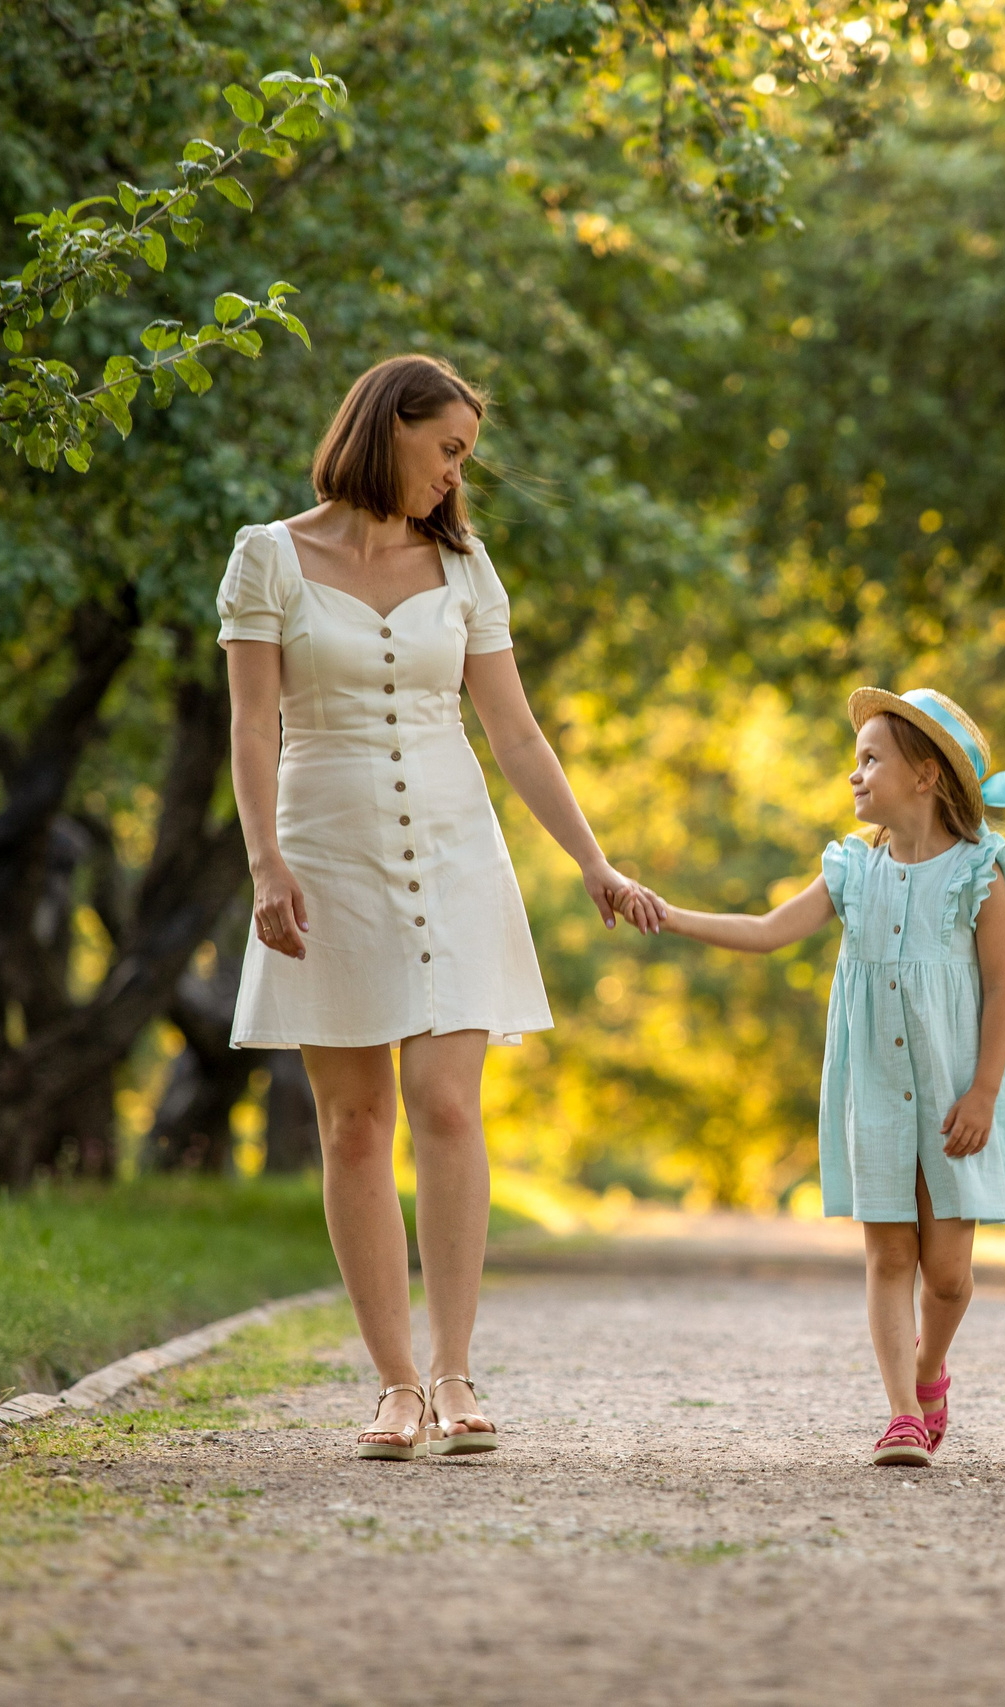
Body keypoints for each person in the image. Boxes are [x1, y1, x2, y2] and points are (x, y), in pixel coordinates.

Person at [218, 353, 666, 1462]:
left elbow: (514, 733)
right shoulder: (267, 557)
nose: (456, 476)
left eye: (463, 455)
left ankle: (458, 1370)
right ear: (389, 429)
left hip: (458, 852)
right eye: (448, 450)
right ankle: (394, 1386)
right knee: (356, 1123)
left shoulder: (466, 567)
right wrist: (266, 865)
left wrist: (593, 862)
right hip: (325, 849)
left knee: (447, 1104)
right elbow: (250, 728)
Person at [648, 687, 1005, 1465]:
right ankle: (902, 1413)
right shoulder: (852, 870)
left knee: (951, 1275)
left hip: (953, 1090)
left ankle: (931, 1370)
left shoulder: (981, 873)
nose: (855, 774)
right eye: (855, 759)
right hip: (876, 1088)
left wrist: (985, 1091)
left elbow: (1004, 990)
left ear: (926, 775)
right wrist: (670, 913)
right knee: (889, 1254)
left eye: (872, 759)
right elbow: (766, 932)